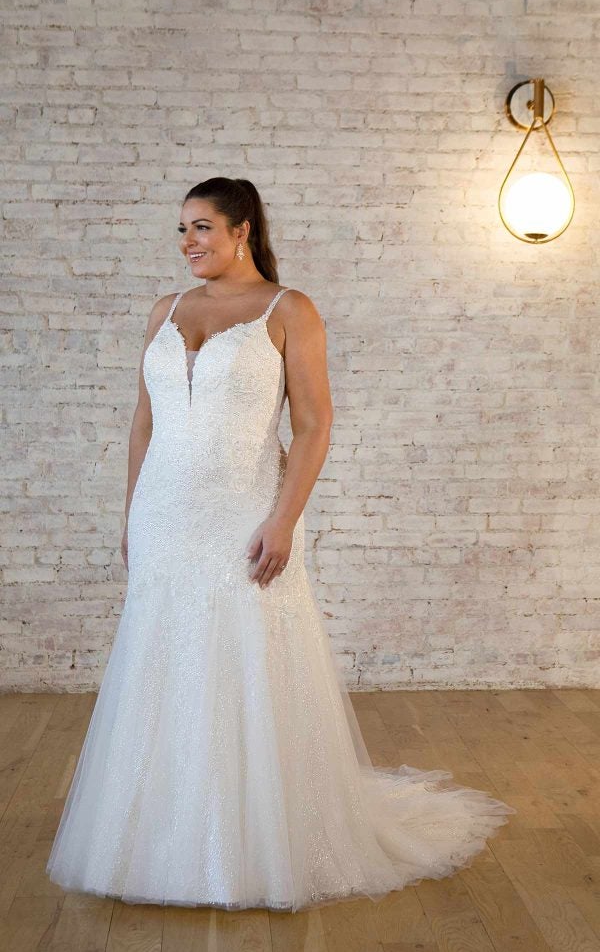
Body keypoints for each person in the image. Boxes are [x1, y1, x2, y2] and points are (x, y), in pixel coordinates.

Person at [46, 176, 516, 912]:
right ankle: (160, 835)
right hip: (164, 514)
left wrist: (283, 520)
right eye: (182, 229)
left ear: (242, 230)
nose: (188, 242)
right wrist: (131, 512)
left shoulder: (287, 309)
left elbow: (315, 424)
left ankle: (249, 842)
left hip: (244, 510)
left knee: (244, 660)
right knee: (162, 657)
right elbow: (144, 423)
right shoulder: (165, 310)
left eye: (202, 227)